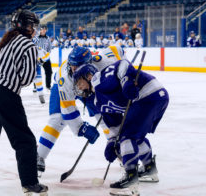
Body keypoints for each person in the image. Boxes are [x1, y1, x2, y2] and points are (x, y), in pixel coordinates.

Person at [0, 9, 48, 195]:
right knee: (25, 140)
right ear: (26, 26)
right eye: (32, 26)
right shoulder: (29, 45)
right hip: (4, 93)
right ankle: (30, 185)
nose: (34, 29)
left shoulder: (4, 42)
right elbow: (27, 78)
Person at [72, 55, 169, 196]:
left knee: (127, 136)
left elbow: (123, 64)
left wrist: (126, 82)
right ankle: (149, 168)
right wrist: (111, 143)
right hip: (156, 97)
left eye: (79, 82)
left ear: (88, 76)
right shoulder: (98, 100)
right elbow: (115, 127)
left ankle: (131, 176)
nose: (79, 87)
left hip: (148, 95)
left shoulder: (98, 80)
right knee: (134, 136)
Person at [36, 47, 104, 174]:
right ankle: (39, 155)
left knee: (105, 117)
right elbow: (68, 110)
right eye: (72, 65)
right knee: (57, 119)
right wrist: (81, 128)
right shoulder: (65, 78)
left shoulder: (100, 64)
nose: (73, 69)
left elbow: (117, 53)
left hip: (89, 86)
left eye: (77, 66)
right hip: (65, 88)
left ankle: (123, 155)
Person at [34, 25, 54, 92]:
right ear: (40, 30)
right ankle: (36, 87)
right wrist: (37, 58)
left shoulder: (48, 38)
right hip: (37, 59)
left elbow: (49, 50)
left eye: (45, 29)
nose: (43, 30)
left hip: (45, 59)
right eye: (42, 29)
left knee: (49, 72)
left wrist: (45, 58)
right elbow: (33, 47)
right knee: (36, 73)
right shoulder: (36, 38)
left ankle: (48, 86)